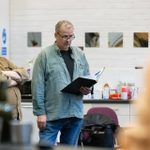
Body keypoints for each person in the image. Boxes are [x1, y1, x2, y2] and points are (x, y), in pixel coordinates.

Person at [32, 20, 91, 146]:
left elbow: (87, 77)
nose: (68, 40)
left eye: (71, 36)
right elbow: (37, 86)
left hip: (75, 113)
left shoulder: (80, 54)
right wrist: (40, 113)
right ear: (56, 35)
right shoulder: (45, 55)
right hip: (53, 114)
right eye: (64, 36)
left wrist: (87, 89)